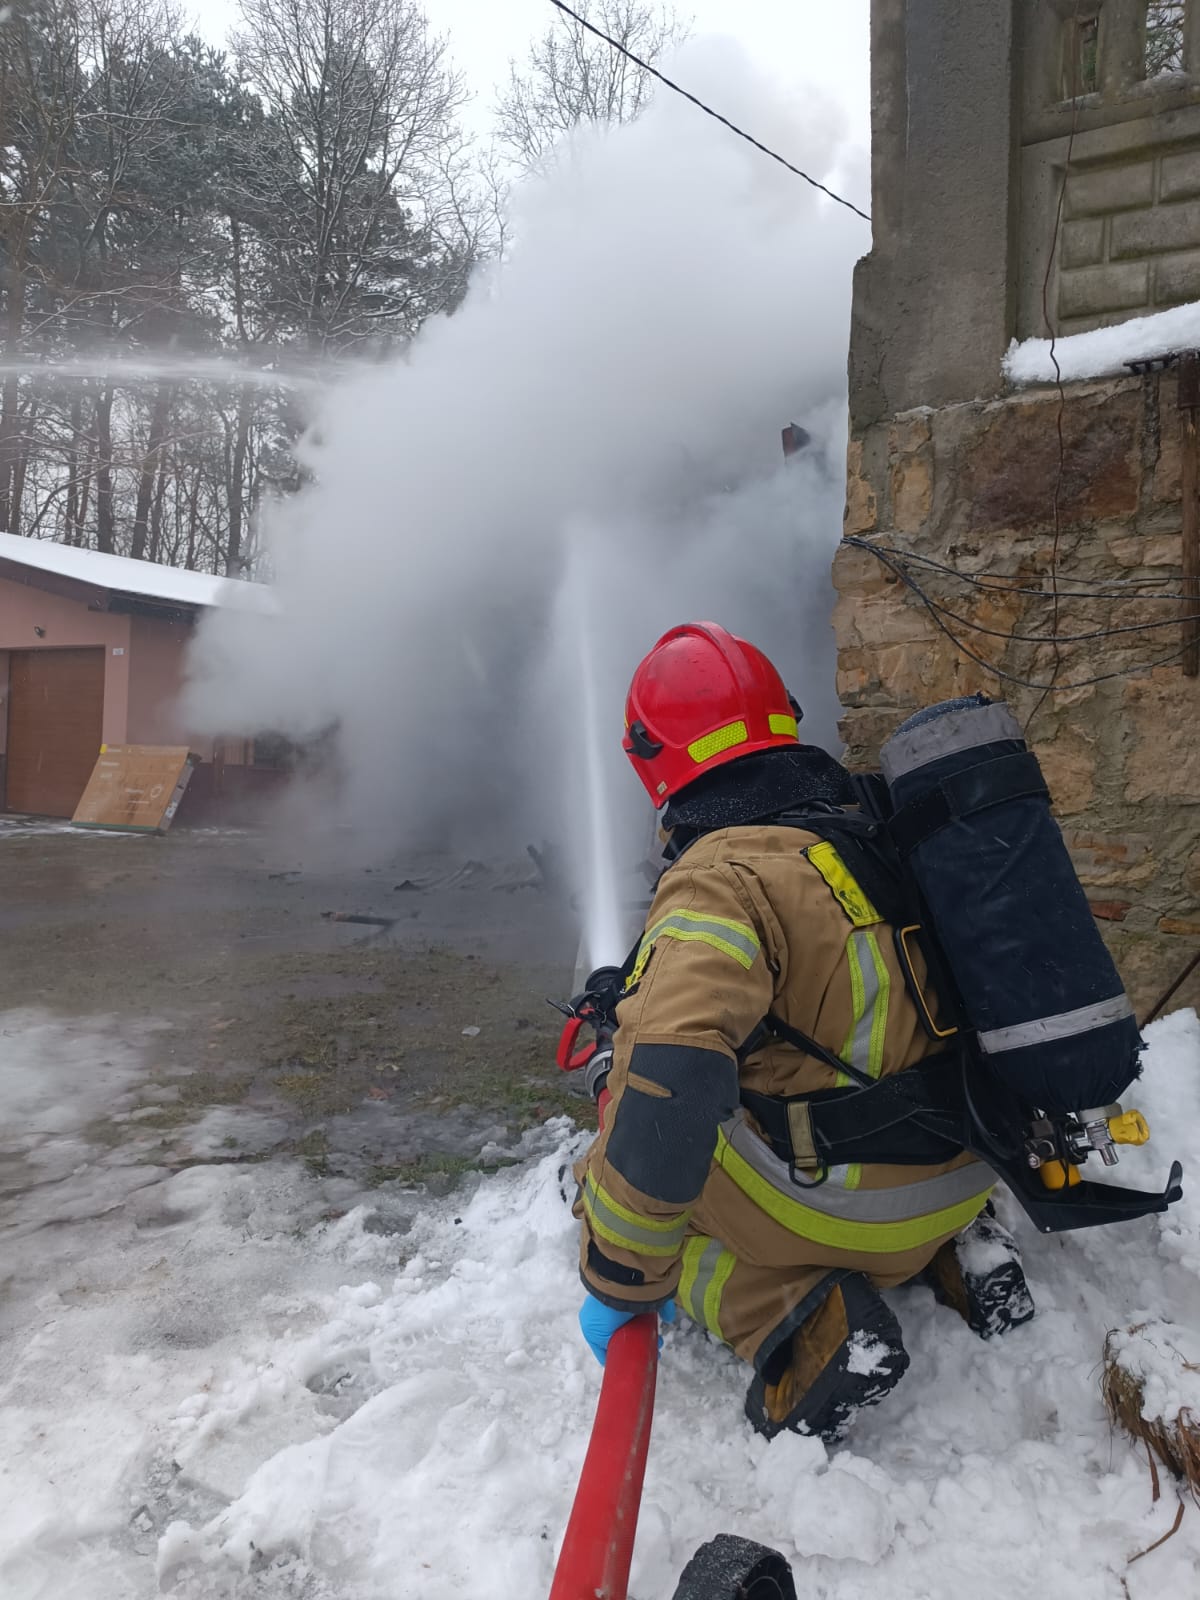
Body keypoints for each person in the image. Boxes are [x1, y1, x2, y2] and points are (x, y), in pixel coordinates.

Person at [573, 621, 1034, 1443]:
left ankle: (797, 1319)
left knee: (615, 1161)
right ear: (783, 720)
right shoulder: (882, 834)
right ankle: (963, 1257)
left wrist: (618, 1278)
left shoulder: (721, 878)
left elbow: (671, 1085)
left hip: (841, 1218)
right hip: (966, 1176)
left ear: (652, 758)